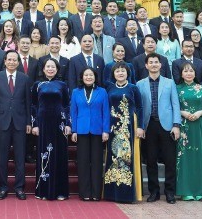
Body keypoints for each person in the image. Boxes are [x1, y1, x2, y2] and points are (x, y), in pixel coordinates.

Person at [136, 54, 181, 204]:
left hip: (167, 126)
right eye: (151, 62)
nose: (154, 65)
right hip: (149, 126)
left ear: (161, 65)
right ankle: (153, 192)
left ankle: (170, 192)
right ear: (146, 65)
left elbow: (175, 104)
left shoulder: (169, 83)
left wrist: (176, 125)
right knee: (150, 160)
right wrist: (140, 126)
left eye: (156, 62)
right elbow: (139, 107)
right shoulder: (140, 84)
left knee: (170, 161)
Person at [0, 50, 33, 200]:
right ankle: (2, 187)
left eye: (14, 60)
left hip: (20, 122)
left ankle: (19, 187)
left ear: (18, 62)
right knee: (2, 158)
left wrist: (29, 122)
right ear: (4, 61)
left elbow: (28, 103)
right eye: (9, 59)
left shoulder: (25, 78)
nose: (11, 62)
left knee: (20, 157)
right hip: (2, 122)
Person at [30, 58, 71, 200]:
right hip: (43, 124)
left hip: (59, 124)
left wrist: (68, 124)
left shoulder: (62, 85)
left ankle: (60, 191)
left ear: (57, 69)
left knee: (59, 155)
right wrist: (34, 124)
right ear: (43, 69)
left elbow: (67, 105)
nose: (50, 69)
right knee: (44, 154)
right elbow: (33, 106)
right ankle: (43, 191)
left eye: (53, 67)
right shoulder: (37, 84)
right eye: (48, 66)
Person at [103, 63, 143, 203]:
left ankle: (126, 194)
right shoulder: (109, 88)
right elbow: (106, 108)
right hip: (113, 127)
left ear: (128, 73)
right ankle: (112, 193)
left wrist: (140, 127)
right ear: (113, 74)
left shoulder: (133, 88)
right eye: (118, 71)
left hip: (128, 127)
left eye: (123, 71)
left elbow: (139, 107)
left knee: (126, 157)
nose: (120, 73)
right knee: (113, 157)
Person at [175, 63, 202, 201]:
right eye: (186, 71)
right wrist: (182, 112)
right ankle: (186, 191)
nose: (189, 73)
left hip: (200, 125)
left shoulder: (201, 88)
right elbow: (172, 105)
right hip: (184, 127)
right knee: (186, 158)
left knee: (201, 157)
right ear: (181, 74)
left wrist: (200, 113)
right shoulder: (176, 88)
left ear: (195, 73)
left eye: (191, 70)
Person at [70, 68, 109, 201]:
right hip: (81, 130)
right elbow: (73, 112)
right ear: (82, 77)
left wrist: (106, 130)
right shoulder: (76, 92)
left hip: (98, 130)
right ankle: (85, 193)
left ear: (95, 77)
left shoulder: (102, 92)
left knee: (97, 162)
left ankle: (96, 193)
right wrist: (74, 130)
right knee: (83, 162)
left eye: (91, 75)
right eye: (86, 75)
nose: (88, 77)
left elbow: (106, 112)